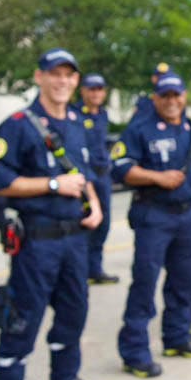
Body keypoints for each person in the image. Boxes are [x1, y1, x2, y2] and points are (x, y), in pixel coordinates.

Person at [0, 48, 109, 380]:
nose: (63, 81)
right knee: (22, 320)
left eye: (69, 75)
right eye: (55, 74)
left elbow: (83, 172)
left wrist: (96, 204)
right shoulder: (19, 125)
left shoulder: (77, 122)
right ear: (39, 77)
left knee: (74, 313)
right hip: (37, 241)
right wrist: (52, 185)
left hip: (74, 241)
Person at [111, 73, 191, 377]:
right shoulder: (140, 128)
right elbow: (120, 167)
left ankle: (177, 338)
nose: (171, 101)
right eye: (164, 95)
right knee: (145, 284)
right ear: (155, 98)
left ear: (183, 96)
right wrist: (157, 177)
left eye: (176, 95)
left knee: (184, 281)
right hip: (155, 215)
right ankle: (134, 351)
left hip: (188, 214)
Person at [72, 72, 119, 284]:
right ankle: (80, 270)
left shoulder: (103, 115)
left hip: (103, 175)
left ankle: (95, 268)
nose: (96, 93)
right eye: (92, 89)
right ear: (83, 91)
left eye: (100, 89)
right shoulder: (74, 114)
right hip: (84, 177)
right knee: (85, 222)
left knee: (104, 223)